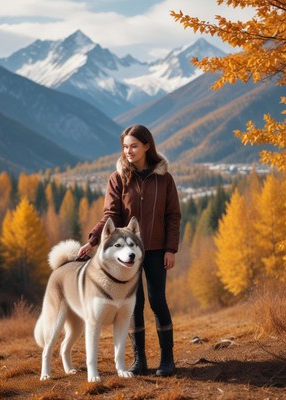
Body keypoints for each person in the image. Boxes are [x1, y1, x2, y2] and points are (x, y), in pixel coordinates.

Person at [77, 124, 181, 377]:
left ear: (147, 146)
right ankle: (139, 361)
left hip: (156, 250)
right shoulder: (118, 178)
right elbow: (110, 215)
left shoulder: (164, 178)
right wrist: (92, 241)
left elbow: (173, 216)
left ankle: (168, 360)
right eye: (125, 146)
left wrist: (171, 249)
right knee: (134, 304)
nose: (129, 151)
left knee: (157, 301)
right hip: (127, 254)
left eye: (134, 146)